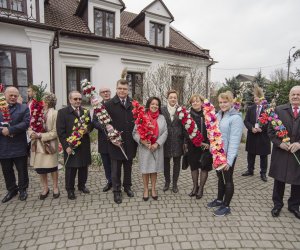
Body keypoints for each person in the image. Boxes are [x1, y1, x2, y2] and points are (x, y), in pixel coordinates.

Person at [207, 91, 243, 216]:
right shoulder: (218, 115)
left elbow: (234, 141)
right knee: (219, 178)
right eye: (221, 102)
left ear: (231, 102)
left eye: (225, 102)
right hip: (217, 155)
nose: (222, 104)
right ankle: (219, 199)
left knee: (228, 180)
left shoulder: (236, 118)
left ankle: (226, 206)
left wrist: (229, 160)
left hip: (227, 156)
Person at [104, 70, 137, 204]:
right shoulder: (109, 105)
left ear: (128, 90)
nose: (122, 91)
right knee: (116, 169)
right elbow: (104, 124)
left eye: (124, 89)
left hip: (130, 142)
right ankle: (117, 191)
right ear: (116, 89)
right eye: (119, 88)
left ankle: (127, 187)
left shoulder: (134, 104)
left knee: (128, 167)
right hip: (115, 143)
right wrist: (111, 137)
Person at [268, 86, 300, 219]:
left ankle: (294, 206)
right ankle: (277, 204)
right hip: (281, 152)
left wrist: (299, 144)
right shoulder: (279, 110)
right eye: (293, 94)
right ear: (289, 95)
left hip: (297, 153)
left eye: (298, 94)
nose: (296, 97)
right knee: (279, 179)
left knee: (297, 182)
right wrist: (279, 143)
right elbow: (270, 131)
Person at [56, 91, 93, 200]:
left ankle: (82, 185)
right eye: (75, 99)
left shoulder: (85, 111)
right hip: (70, 145)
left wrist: (88, 129)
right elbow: (60, 131)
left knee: (83, 167)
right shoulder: (63, 112)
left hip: (84, 144)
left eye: (79, 99)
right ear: (70, 100)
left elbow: (90, 125)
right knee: (71, 169)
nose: (78, 101)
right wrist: (66, 146)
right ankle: (70, 189)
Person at [133, 97, 168, 201]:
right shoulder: (141, 116)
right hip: (145, 148)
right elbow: (135, 132)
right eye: (152, 104)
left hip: (156, 148)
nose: (154, 106)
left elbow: (165, 132)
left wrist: (157, 144)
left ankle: (153, 189)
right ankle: (145, 189)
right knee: (145, 169)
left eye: (157, 104)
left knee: (154, 169)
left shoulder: (162, 118)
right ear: (148, 104)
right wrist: (143, 141)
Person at [0, 87, 30, 203]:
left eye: (15, 96)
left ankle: (23, 189)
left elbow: (26, 123)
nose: (13, 97)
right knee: (7, 170)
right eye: (10, 95)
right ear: (5, 95)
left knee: (22, 169)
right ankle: (12, 190)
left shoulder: (23, 108)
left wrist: (11, 130)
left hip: (19, 145)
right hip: (3, 146)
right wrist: (2, 130)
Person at [28, 93, 60, 199]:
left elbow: (56, 132)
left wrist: (40, 135)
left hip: (49, 145)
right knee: (41, 168)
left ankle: (55, 187)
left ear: (47, 102)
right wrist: (31, 133)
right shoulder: (35, 111)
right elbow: (30, 126)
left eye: (43, 100)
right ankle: (45, 188)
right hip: (37, 146)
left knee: (52, 167)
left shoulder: (55, 113)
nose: (42, 102)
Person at [185, 94, 212, 199]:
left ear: (202, 102)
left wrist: (209, 143)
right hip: (193, 145)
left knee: (204, 167)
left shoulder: (209, 114)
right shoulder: (187, 115)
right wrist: (198, 143)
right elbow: (186, 131)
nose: (195, 103)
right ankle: (195, 187)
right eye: (193, 102)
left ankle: (201, 189)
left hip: (207, 145)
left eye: (197, 101)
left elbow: (213, 129)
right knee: (194, 167)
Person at [242, 85, 271, 181]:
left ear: (262, 99)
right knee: (251, 154)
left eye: (257, 98)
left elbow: (271, 121)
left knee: (263, 156)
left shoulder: (267, 108)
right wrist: (251, 128)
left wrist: (262, 128)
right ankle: (250, 170)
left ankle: (263, 173)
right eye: (254, 98)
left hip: (263, 136)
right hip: (252, 135)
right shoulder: (250, 108)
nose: (256, 100)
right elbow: (246, 121)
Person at [161, 90, 184, 193]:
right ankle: (167, 182)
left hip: (177, 141)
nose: (173, 99)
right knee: (166, 163)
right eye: (171, 97)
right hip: (165, 140)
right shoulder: (162, 110)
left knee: (176, 163)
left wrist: (184, 141)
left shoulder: (181, 110)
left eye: (175, 97)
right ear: (168, 98)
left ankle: (175, 184)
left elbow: (185, 126)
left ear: (177, 99)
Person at [93, 87, 112, 192]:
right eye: (103, 92)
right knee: (106, 163)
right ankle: (109, 181)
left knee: (115, 162)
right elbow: (94, 121)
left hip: (115, 138)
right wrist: (103, 126)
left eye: (107, 91)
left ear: (110, 92)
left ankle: (116, 181)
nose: (106, 93)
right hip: (103, 139)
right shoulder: (97, 106)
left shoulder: (115, 103)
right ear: (100, 94)